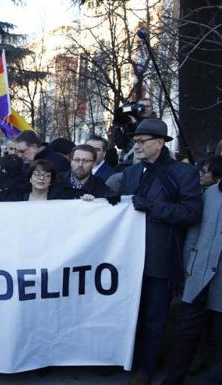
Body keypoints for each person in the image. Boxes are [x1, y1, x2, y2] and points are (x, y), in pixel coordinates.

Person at [117, 118, 202, 385]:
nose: (137, 146)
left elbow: (191, 212)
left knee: (154, 315)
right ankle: (125, 358)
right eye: (135, 141)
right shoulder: (130, 174)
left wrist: (154, 207)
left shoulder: (182, 173)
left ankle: (146, 367)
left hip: (160, 256)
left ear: (159, 143)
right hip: (128, 255)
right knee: (128, 310)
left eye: (142, 142)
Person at [161, 178, 222, 385]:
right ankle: (174, 379)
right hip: (199, 274)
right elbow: (195, 230)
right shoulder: (211, 193)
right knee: (187, 332)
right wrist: (188, 265)